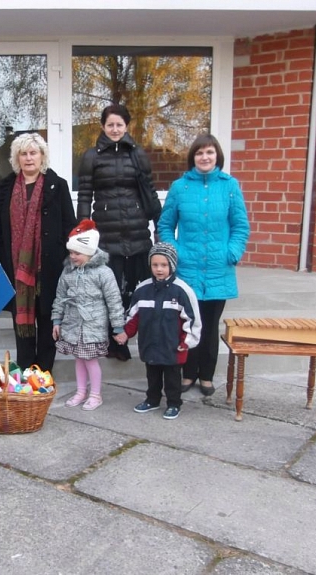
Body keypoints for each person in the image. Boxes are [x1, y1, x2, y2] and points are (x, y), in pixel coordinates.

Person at [157, 133, 250, 396]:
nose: (205, 157)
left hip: (218, 268)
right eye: (199, 153)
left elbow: (240, 225)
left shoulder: (229, 186)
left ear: (217, 155)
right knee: (187, 323)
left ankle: (206, 375)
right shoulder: (180, 187)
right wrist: (176, 253)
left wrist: (231, 252)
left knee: (210, 325)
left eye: (209, 152)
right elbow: (165, 225)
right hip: (187, 268)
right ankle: (188, 373)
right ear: (193, 158)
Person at [0, 132, 77, 373]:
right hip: (15, 267)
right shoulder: (5, 186)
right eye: (23, 153)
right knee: (21, 321)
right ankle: (26, 372)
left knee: (47, 319)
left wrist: (71, 257)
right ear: (17, 158)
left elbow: (70, 224)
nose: (28, 158)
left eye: (33, 153)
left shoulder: (57, 185)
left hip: (48, 265)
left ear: (42, 156)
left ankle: (44, 372)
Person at [77, 104, 160, 362]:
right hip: (107, 233)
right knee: (109, 290)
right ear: (103, 126)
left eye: (119, 125)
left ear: (126, 127)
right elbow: (84, 195)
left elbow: (149, 190)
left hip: (137, 232)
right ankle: (113, 341)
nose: (115, 129)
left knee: (134, 290)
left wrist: (159, 223)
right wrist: (83, 229)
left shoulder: (137, 154)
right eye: (110, 124)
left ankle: (130, 337)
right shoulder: (91, 156)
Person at [117, 243, 201, 420]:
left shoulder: (182, 290)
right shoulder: (143, 290)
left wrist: (187, 341)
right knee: (152, 375)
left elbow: (192, 320)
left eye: (163, 265)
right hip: (150, 342)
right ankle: (152, 399)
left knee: (172, 378)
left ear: (172, 265)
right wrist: (125, 333)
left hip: (173, 345)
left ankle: (174, 403)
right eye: (155, 265)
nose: (159, 269)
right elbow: (134, 316)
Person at [52, 220, 125, 411]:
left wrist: (118, 326)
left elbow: (114, 300)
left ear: (90, 252)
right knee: (78, 358)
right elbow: (60, 296)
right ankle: (81, 391)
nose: (73, 257)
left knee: (90, 360)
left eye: (77, 253)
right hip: (73, 324)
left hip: (93, 324)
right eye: (71, 252)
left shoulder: (103, 273)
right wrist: (57, 320)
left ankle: (95, 394)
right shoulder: (68, 272)